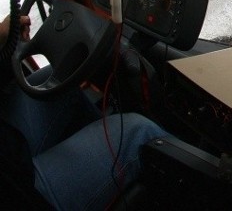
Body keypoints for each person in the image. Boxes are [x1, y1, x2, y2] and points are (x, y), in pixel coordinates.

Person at [0, 15, 167, 210]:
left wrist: (4, 43)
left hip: (10, 145)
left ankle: (109, 166)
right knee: (141, 132)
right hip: (20, 190)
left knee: (57, 79)